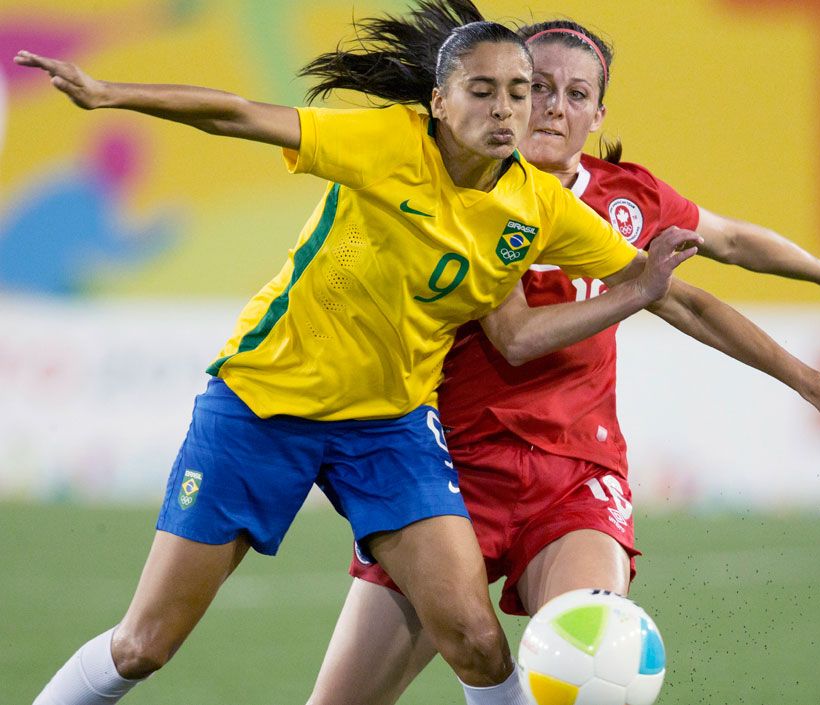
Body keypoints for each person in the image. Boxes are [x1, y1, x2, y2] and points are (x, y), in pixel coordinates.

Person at [15, 3, 708, 704]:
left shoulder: (538, 206)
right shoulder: (386, 142)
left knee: (475, 638)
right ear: (439, 102)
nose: (506, 109)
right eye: (483, 90)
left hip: (388, 425)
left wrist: (782, 365)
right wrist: (109, 94)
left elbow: (658, 286)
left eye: (518, 92)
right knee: (144, 645)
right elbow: (237, 114)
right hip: (264, 401)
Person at [305, 17, 820, 705]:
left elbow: (731, 242)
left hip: (573, 476)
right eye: (541, 88)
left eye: (577, 93)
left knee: (594, 660)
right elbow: (514, 335)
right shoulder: (456, 186)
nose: (556, 106)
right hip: (441, 473)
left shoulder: (628, 198)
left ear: (598, 114)